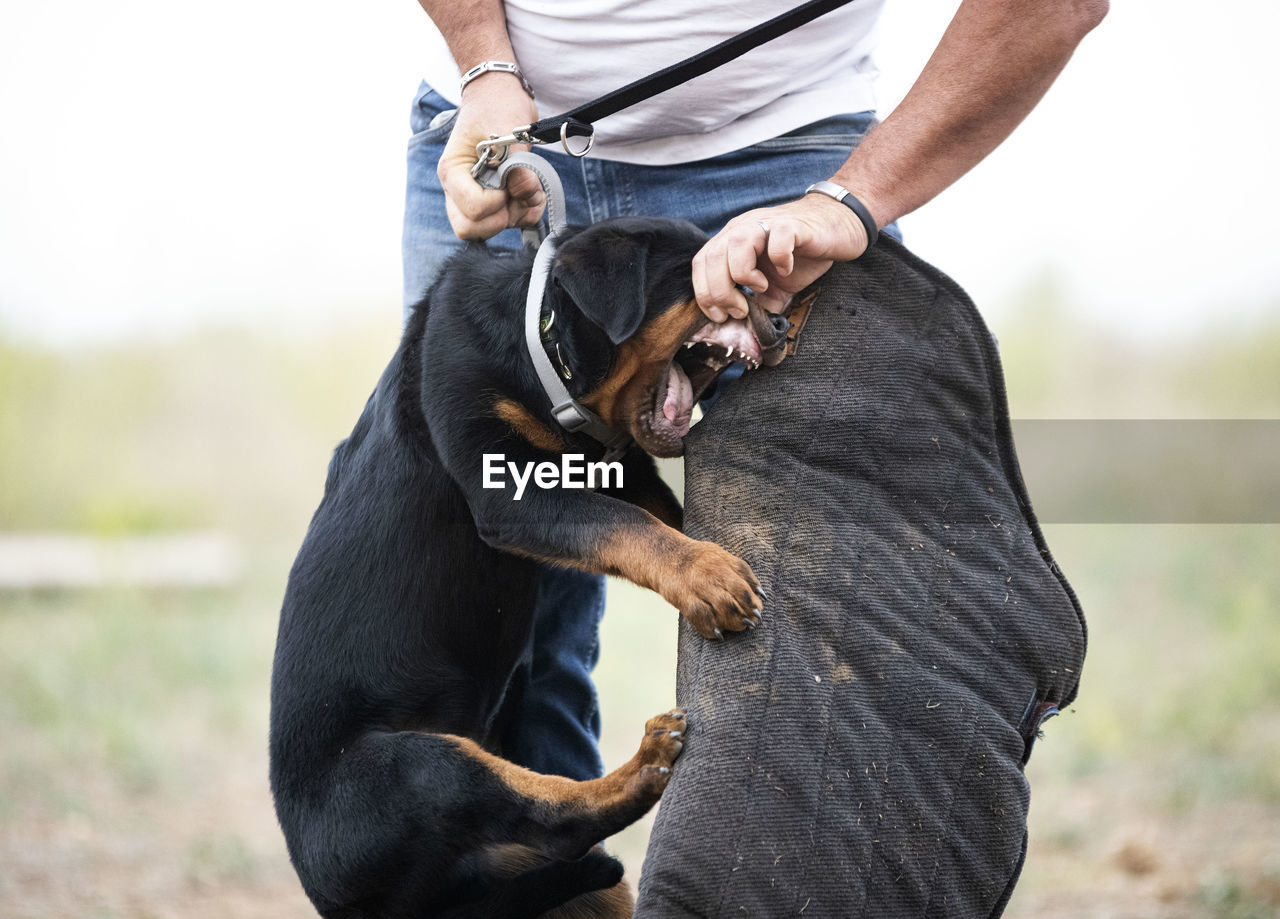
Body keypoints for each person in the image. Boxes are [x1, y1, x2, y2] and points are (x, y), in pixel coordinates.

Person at [402, 0, 1108, 782]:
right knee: (496, 614)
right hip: (505, 137)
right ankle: (553, 903)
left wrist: (853, 200)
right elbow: (520, 501)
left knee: (852, 595)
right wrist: (484, 64)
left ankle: (799, 893)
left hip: (788, 169)